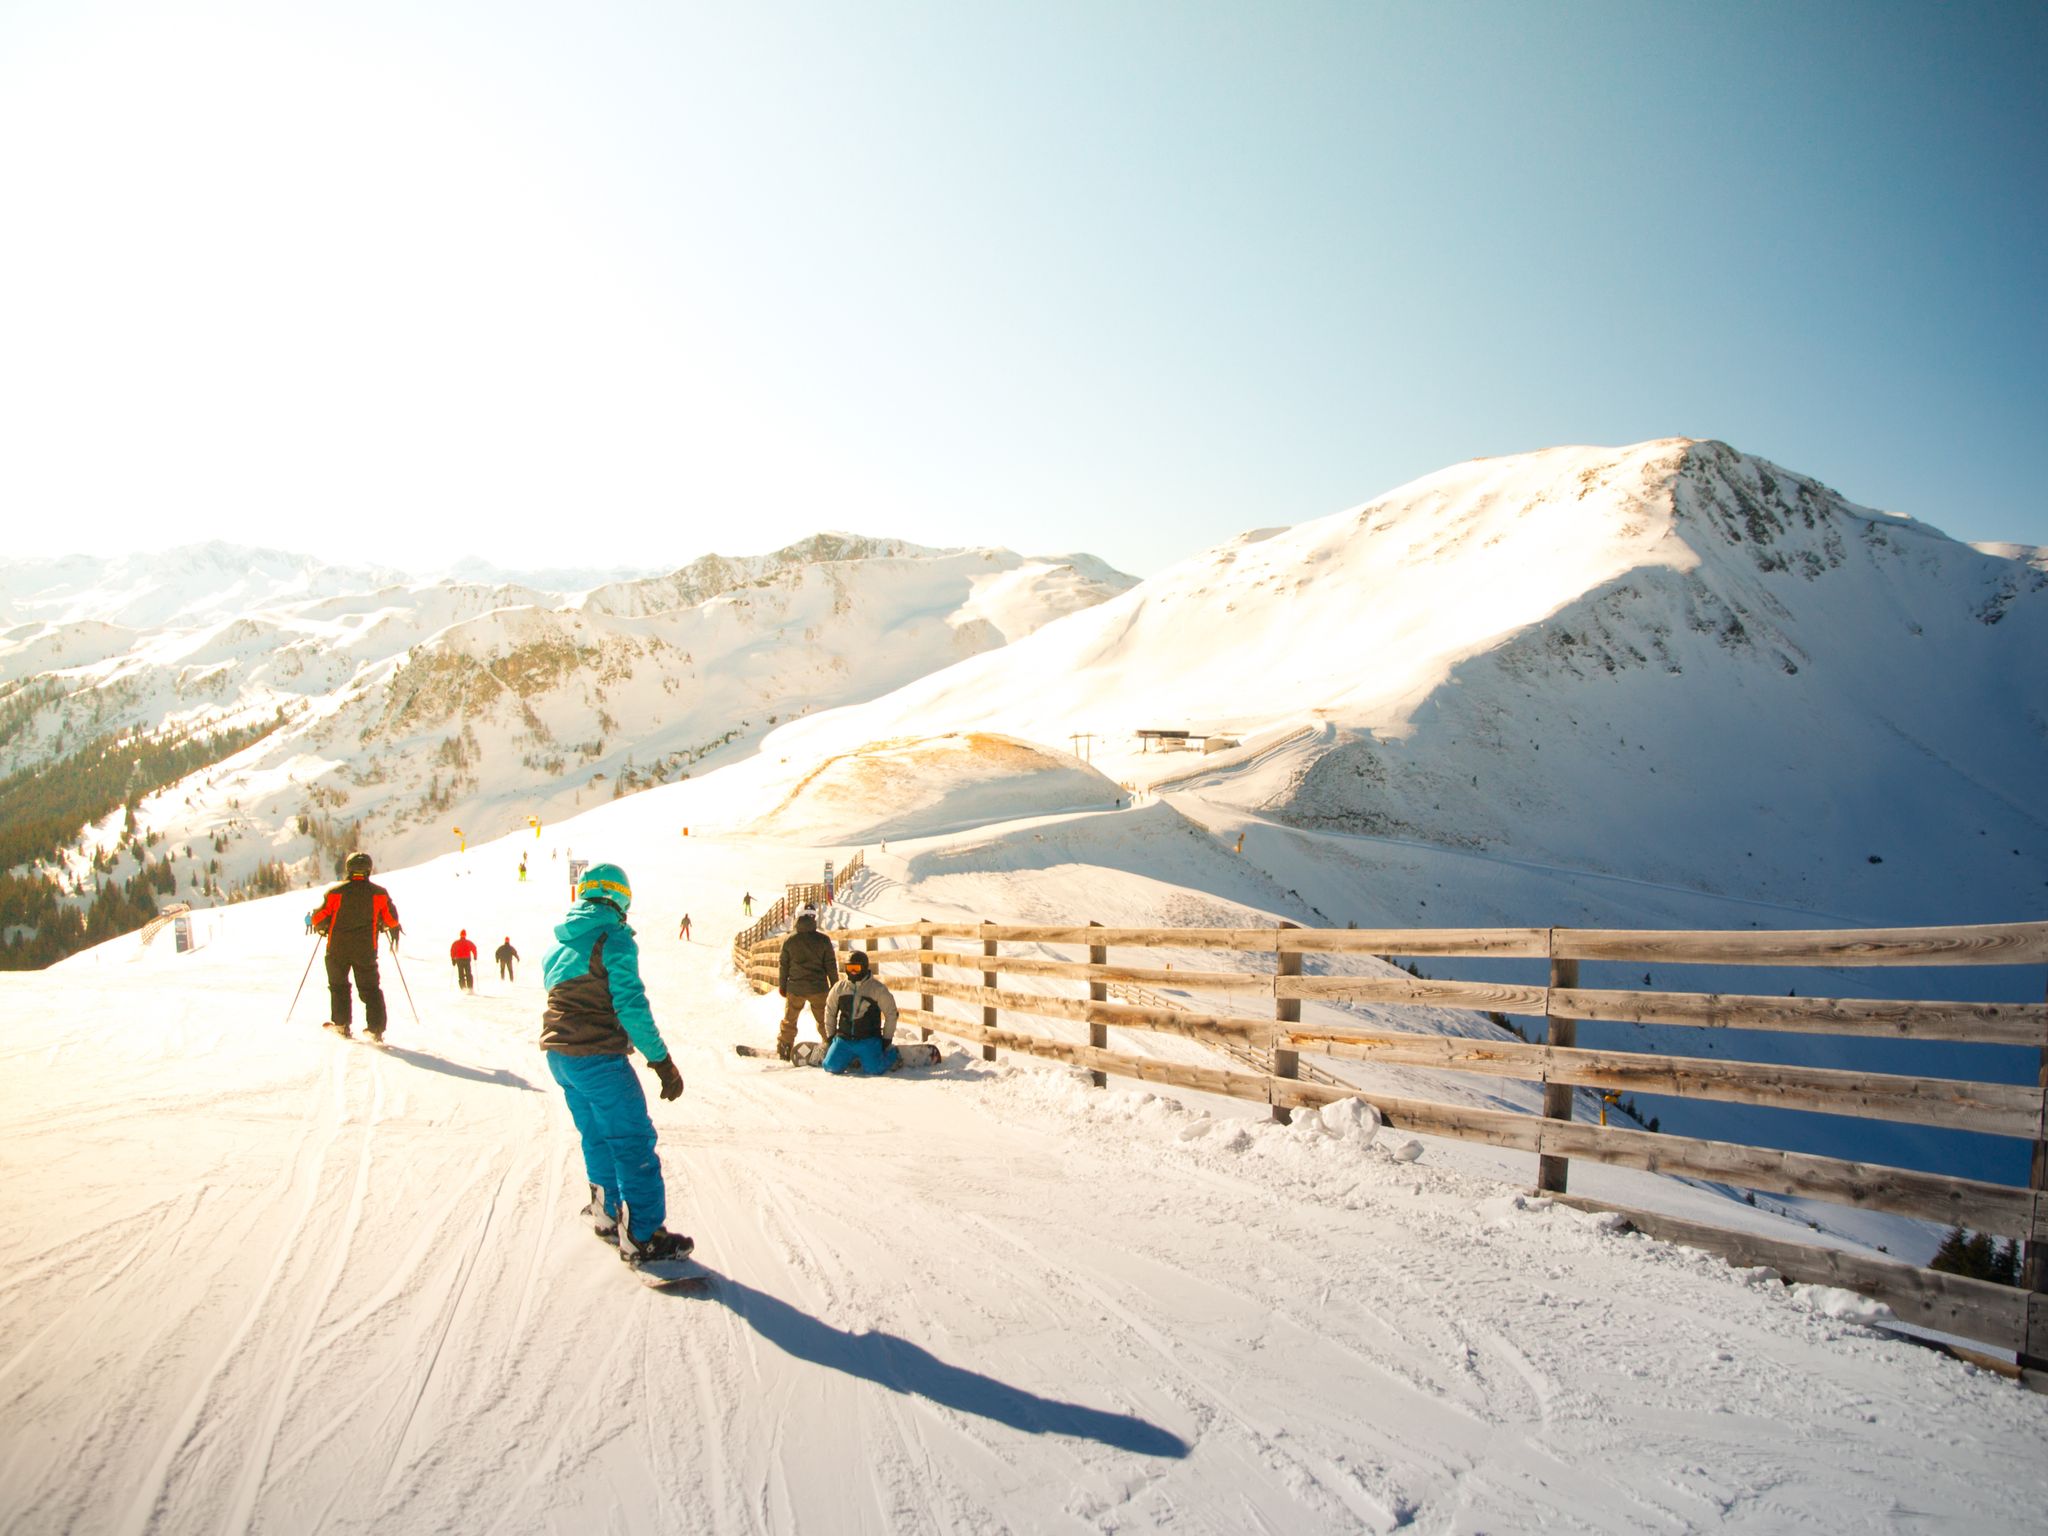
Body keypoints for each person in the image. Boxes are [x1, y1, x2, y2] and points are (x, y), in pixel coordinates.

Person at [540, 862, 691, 1264]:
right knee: (631, 1141)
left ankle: (606, 1213)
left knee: (596, 1135)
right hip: (597, 1057)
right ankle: (642, 1236)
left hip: (561, 1058)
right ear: (620, 897)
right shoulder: (615, 939)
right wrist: (661, 1061)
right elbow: (630, 1006)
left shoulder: (557, 946)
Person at [309, 852, 403, 1040]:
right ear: (369, 869)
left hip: (337, 948)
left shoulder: (336, 892)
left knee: (339, 986)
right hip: (366, 949)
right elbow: (392, 920)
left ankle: (342, 1024)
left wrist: (324, 926)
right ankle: (376, 1029)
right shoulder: (379, 893)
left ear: (348, 869)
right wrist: (381, 924)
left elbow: (317, 918)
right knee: (370, 988)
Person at [821, 949, 900, 1074]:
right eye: (849, 968)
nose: (852, 972)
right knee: (830, 1067)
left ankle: (893, 1054)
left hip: (868, 1039)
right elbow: (830, 1011)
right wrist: (830, 1036)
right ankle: (843, 1055)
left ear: (864, 968)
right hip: (844, 1039)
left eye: (856, 968)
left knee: (875, 1070)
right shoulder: (839, 988)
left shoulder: (877, 989)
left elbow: (891, 1014)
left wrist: (887, 1040)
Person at [775, 910, 838, 1061]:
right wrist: (834, 985)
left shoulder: (789, 940)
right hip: (818, 988)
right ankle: (832, 1046)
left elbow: (784, 965)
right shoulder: (823, 940)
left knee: (790, 1020)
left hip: (796, 988)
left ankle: (785, 1046)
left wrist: (782, 986)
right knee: (824, 1020)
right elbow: (830, 965)